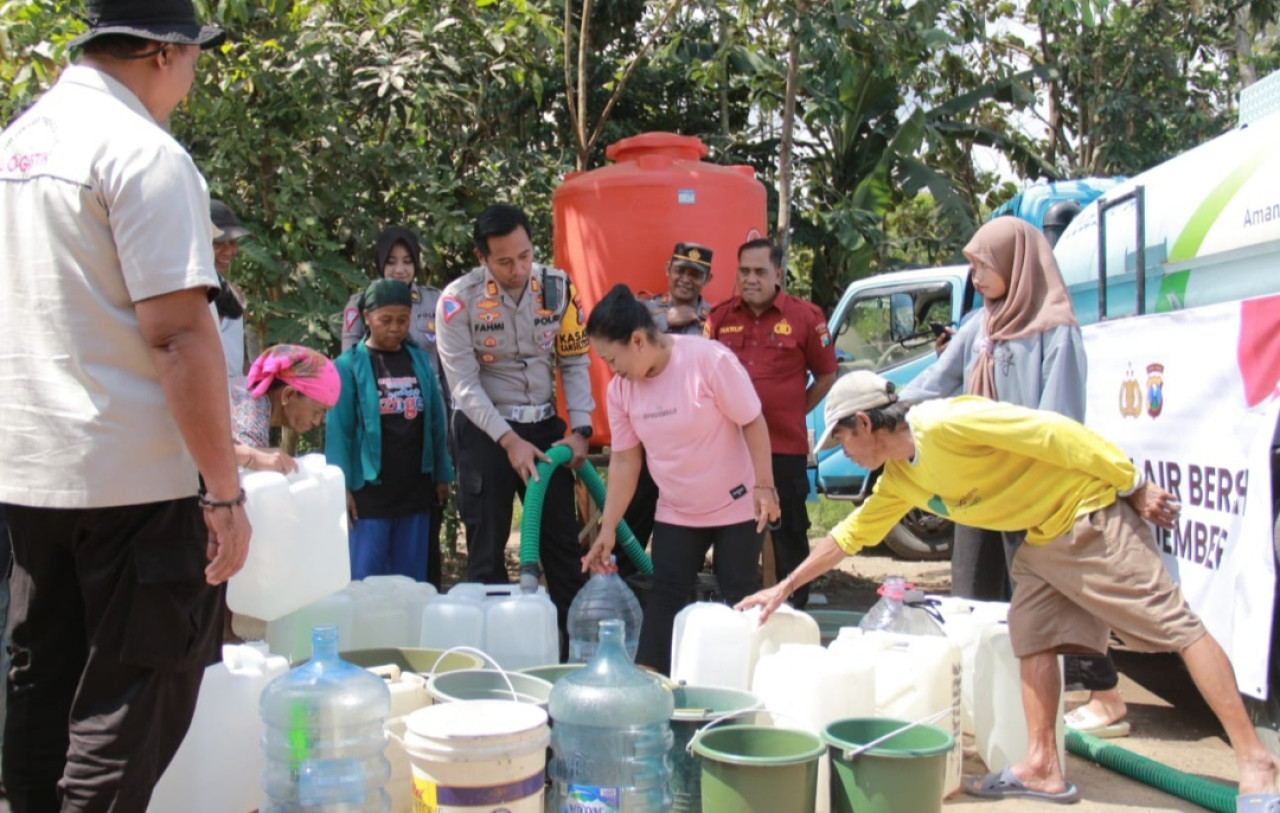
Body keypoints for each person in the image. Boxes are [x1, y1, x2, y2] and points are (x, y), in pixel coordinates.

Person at [737, 372, 1280, 805]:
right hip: (1043, 537)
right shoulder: (900, 478)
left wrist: (1132, 483)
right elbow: (848, 536)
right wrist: (782, 587)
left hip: (1087, 513)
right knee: (1032, 636)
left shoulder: (945, 423)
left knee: (1174, 627)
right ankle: (1042, 766)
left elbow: (1053, 433)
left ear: (864, 421)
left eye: (842, 439)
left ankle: (1256, 760)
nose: (842, 451)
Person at [0, 2, 249, 810]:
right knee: (128, 707)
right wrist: (223, 490)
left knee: (45, 691)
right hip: (135, 488)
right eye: (192, 58)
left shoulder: (17, 148)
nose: (192, 77)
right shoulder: (143, 153)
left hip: (33, 477)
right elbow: (177, 333)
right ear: (159, 52)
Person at [902, 216, 1129, 736]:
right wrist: (886, 402)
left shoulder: (1054, 329)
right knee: (972, 588)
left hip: (1031, 487)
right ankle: (989, 694)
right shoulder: (979, 326)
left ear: (1015, 264)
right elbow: (936, 382)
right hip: (979, 484)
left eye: (983, 265)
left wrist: (1036, 483)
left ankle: (1104, 695)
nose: (975, 276)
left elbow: (1059, 422)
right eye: (973, 264)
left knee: (1047, 592)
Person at [582, 285, 779, 674]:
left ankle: (751, 678)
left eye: (611, 358)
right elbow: (624, 460)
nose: (610, 369)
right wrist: (607, 528)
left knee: (738, 592)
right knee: (665, 596)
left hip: (736, 503)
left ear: (637, 340)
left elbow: (753, 420)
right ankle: (649, 685)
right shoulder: (621, 390)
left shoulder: (708, 361)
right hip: (677, 509)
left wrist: (765, 485)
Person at [435, 204, 593, 633]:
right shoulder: (456, 302)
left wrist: (580, 430)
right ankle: (494, 654)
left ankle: (570, 648)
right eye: (504, 261)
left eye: (524, 255)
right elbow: (464, 386)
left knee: (562, 544)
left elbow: (575, 362)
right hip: (485, 432)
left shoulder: (558, 288)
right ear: (481, 258)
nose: (519, 268)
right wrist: (508, 441)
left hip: (544, 430)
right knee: (486, 546)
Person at [705, 239, 837, 608]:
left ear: (778, 274)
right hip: (730, 451)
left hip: (783, 448)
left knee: (789, 536)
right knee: (733, 537)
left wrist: (795, 409)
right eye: (744, 271)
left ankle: (795, 611)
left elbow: (827, 375)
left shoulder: (807, 318)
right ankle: (737, 610)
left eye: (760, 272)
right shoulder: (718, 319)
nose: (750, 279)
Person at [341, 226, 448, 586]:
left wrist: (443, 472)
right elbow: (341, 428)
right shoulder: (351, 365)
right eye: (386, 320)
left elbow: (435, 417)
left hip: (414, 486)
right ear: (368, 316)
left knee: (413, 579)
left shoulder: (420, 354)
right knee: (366, 576)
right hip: (371, 490)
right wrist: (341, 484)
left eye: (402, 320)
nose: (396, 328)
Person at [621, 241, 718, 569]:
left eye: (696, 274)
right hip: (648, 433)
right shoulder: (640, 311)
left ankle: (676, 582)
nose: (686, 279)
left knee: (686, 522)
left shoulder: (716, 319)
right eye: (680, 271)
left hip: (696, 440)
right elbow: (616, 337)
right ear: (667, 270)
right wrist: (668, 320)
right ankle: (624, 584)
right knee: (637, 512)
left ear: (708, 278)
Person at [232, 344, 341, 473]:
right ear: (288, 395)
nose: (317, 422)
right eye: (317, 412)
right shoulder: (252, 417)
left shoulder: (247, 394)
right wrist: (253, 456)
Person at [210, 198, 256, 383]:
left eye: (233, 243)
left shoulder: (233, 294)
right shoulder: (183, 296)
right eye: (219, 243)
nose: (228, 251)